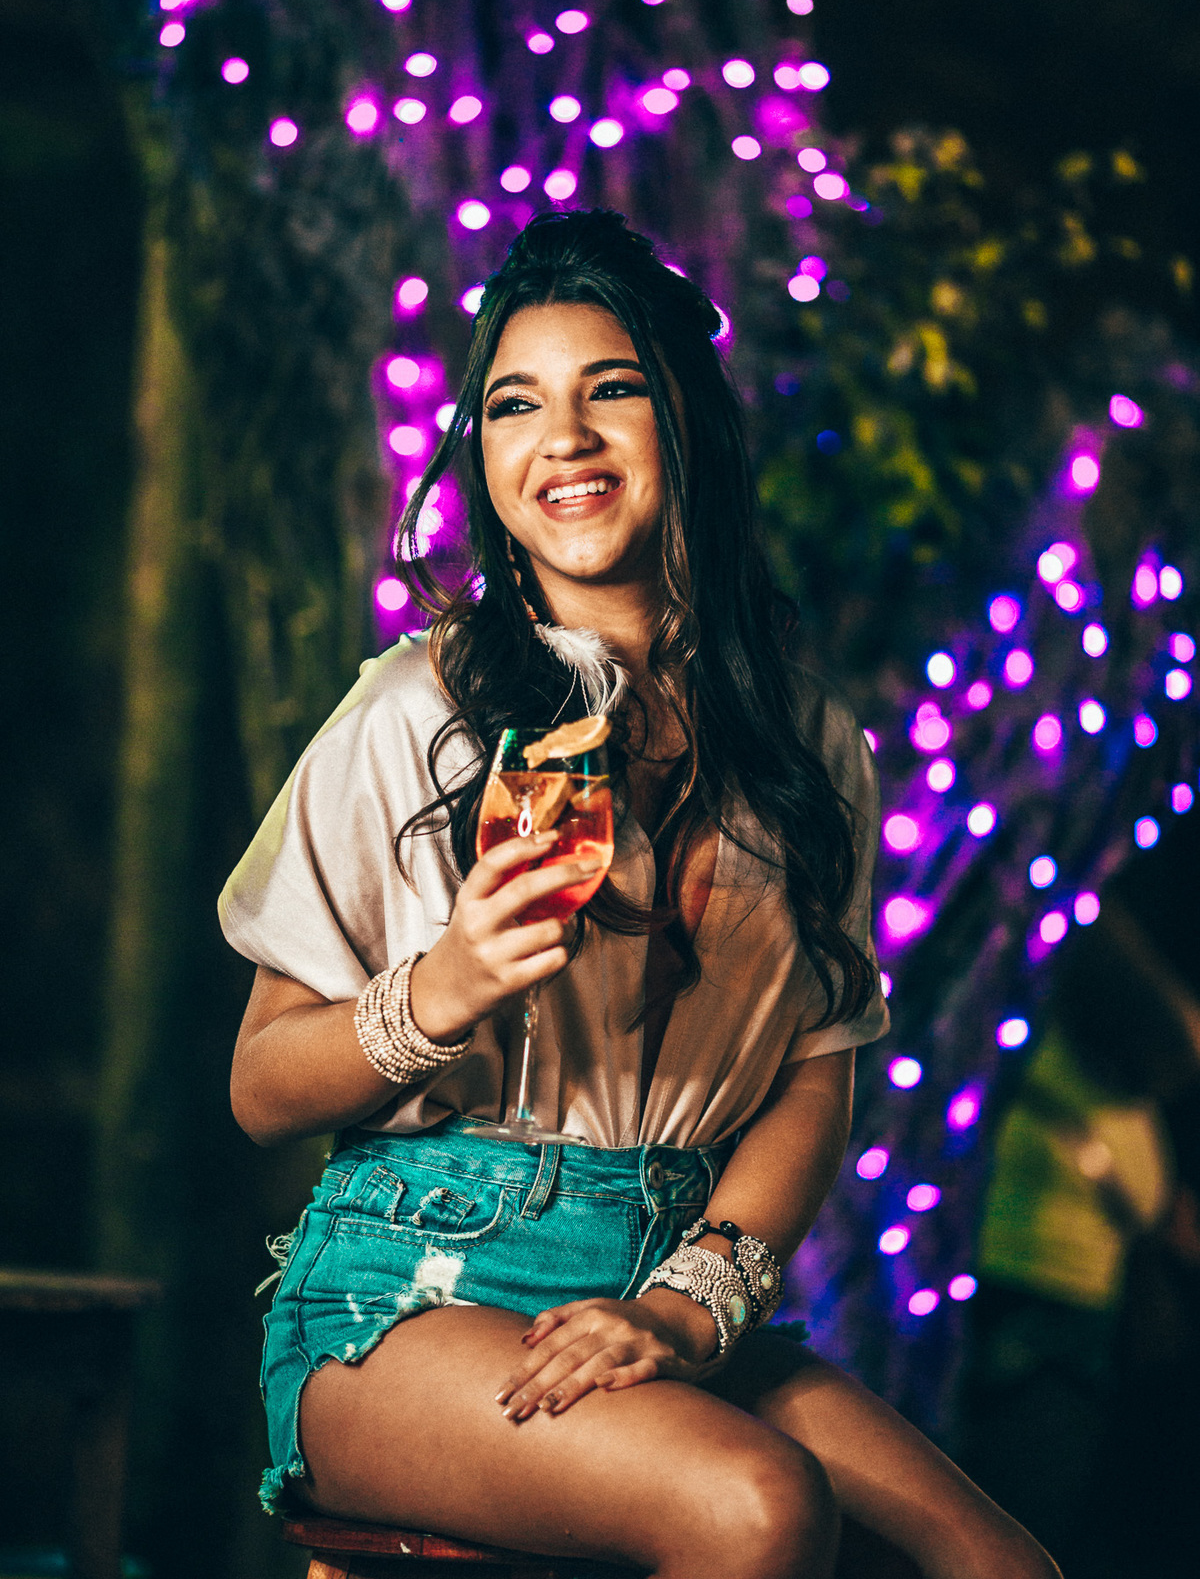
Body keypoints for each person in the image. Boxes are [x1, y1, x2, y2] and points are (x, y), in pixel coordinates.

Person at [224, 211, 1058, 1579]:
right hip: (409, 1297)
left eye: (609, 387)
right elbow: (261, 1089)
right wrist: (450, 987)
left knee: (1003, 1566)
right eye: (514, 403)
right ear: (483, 460)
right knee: (756, 1505)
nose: (563, 436)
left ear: (685, 424)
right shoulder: (413, 713)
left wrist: (696, 1298)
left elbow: (813, 1074)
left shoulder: (803, 744)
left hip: (670, 1277)